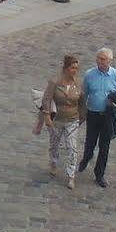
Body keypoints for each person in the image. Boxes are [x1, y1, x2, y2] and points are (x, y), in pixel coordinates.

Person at [77, 46, 116, 188]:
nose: (100, 61)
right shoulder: (90, 74)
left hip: (108, 115)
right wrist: (82, 111)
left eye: (103, 59)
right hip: (93, 113)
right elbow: (84, 93)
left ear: (110, 61)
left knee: (104, 145)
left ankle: (99, 174)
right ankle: (86, 157)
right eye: (98, 58)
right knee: (90, 141)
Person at [35, 53, 85, 188]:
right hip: (57, 119)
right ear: (66, 68)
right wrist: (46, 116)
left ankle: (71, 175)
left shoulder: (79, 84)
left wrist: (81, 118)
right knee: (54, 144)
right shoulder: (55, 82)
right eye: (73, 68)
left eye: (76, 68)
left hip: (72, 120)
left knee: (72, 148)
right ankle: (53, 162)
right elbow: (46, 99)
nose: (75, 71)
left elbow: (82, 102)